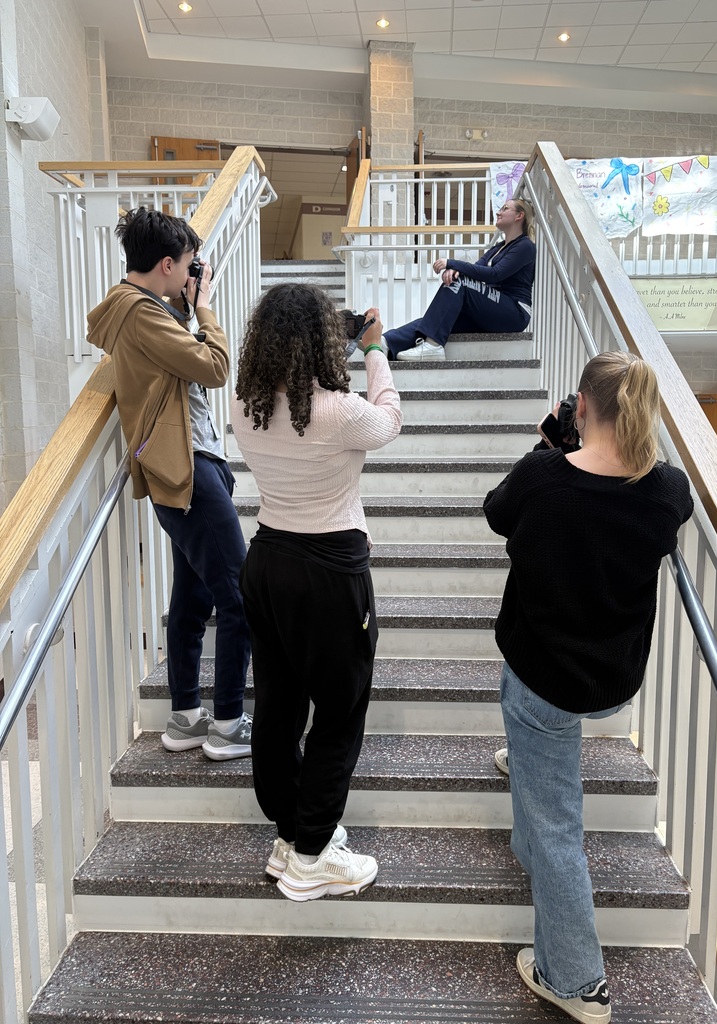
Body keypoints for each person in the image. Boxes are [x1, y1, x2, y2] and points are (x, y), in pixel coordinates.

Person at [484, 351, 693, 1023]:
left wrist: (548, 446)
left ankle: (577, 981)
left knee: (556, 825)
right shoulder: (667, 492)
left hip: (545, 680)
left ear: (579, 405)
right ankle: (528, 784)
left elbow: (497, 512)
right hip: (611, 679)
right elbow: (637, 485)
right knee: (540, 753)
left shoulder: (543, 478)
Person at [231, 284, 401, 902]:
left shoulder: (243, 404)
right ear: (320, 342)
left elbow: (300, 404)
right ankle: (312, 857)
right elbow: (390, 420)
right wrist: (375, 350)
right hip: (329, 572)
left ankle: (291, 835)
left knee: (278, 708)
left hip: (268, 561)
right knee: (339, 712)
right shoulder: (339, 412)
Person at [87, 208, 252, 761]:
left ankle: (185, 717)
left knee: (193, 593)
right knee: (240, 597)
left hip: (187, 468)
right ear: (164, 264)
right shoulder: (140, 314)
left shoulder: (146, 310)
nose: (190, 276)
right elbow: (214, 366)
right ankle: (228, 723)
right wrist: (204, 310)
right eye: (184, 266)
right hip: (190, 470)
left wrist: (186, 303)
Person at [383, 197, 536, 361]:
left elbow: (494, 274)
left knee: (459, 283)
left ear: (519, 216)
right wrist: (456, 271)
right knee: (437, 318)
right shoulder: (498, 248)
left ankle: (433, 346)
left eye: (505, 208)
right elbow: (477, 269)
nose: (499, 212)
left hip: (514, 312)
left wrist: (451, 263)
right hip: (492, 309)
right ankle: (386, 342)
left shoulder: (525, 246)